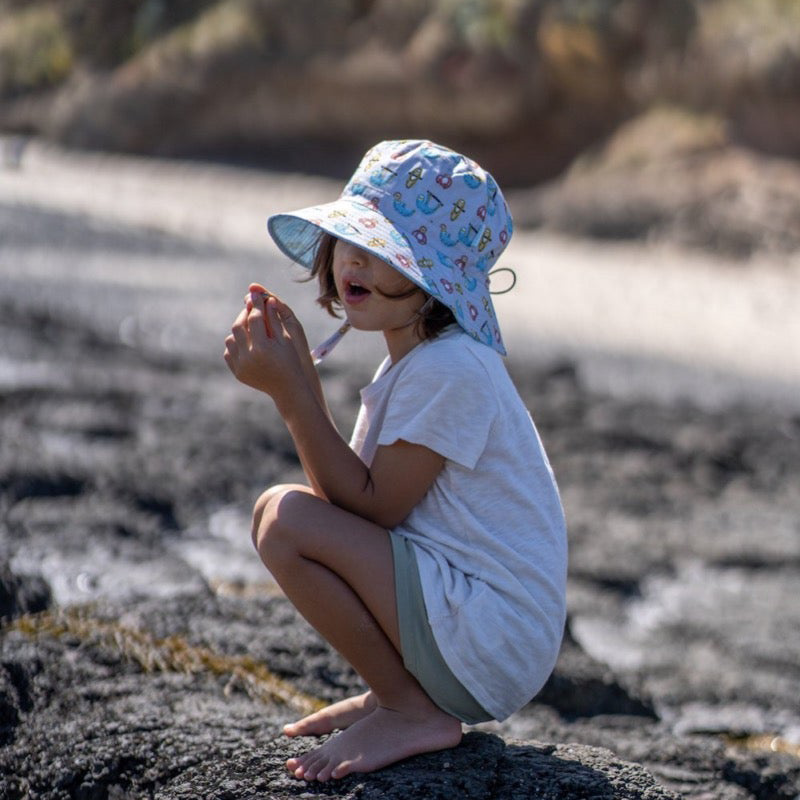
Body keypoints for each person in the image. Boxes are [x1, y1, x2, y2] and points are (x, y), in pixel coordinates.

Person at [223, 139, 567, 783]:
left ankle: (412, 708)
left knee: (286, 521)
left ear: (437, 282)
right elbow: (356, 510)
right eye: (349, 240)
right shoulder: (417, 363)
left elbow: (372, 507)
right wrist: (294, 375)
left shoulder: (451, 368)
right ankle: (395, 695)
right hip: (471, 626)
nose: (352, 260)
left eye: (381, 250)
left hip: (492, 636)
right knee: (279, 510)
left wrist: (295, 394)